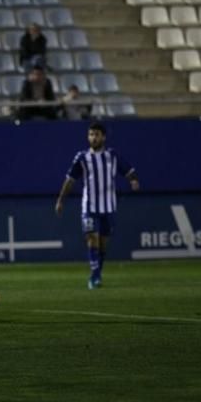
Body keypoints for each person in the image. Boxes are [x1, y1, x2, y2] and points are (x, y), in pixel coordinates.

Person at [55, 122, 140, 289]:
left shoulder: (112, 155)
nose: (93, 138)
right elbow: (70, 180)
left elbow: (129, 170)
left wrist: (134, 180)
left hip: (108, 207)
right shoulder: (82, 157)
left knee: (103, 244)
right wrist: (60, 200)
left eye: (96, 135)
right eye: (90, 135)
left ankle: (97, 273)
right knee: (92, 238)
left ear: (104, 137)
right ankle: (94, 277)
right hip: (89, 207)